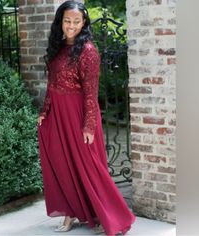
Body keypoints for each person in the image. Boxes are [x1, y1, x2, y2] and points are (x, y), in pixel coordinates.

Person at [37, 1, 136, 235]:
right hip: (58, 114)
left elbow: (91, 92)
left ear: (84, 23)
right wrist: (44, 111)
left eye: (76, 21)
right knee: (63, 164)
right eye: (67, 20)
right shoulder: (57, 47)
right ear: (60, 21)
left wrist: (89, 125)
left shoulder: (88, 51)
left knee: (89, 167)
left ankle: (110, 217)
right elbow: (51, 85)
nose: (71, 25)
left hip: (79, 115)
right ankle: (71, 214)